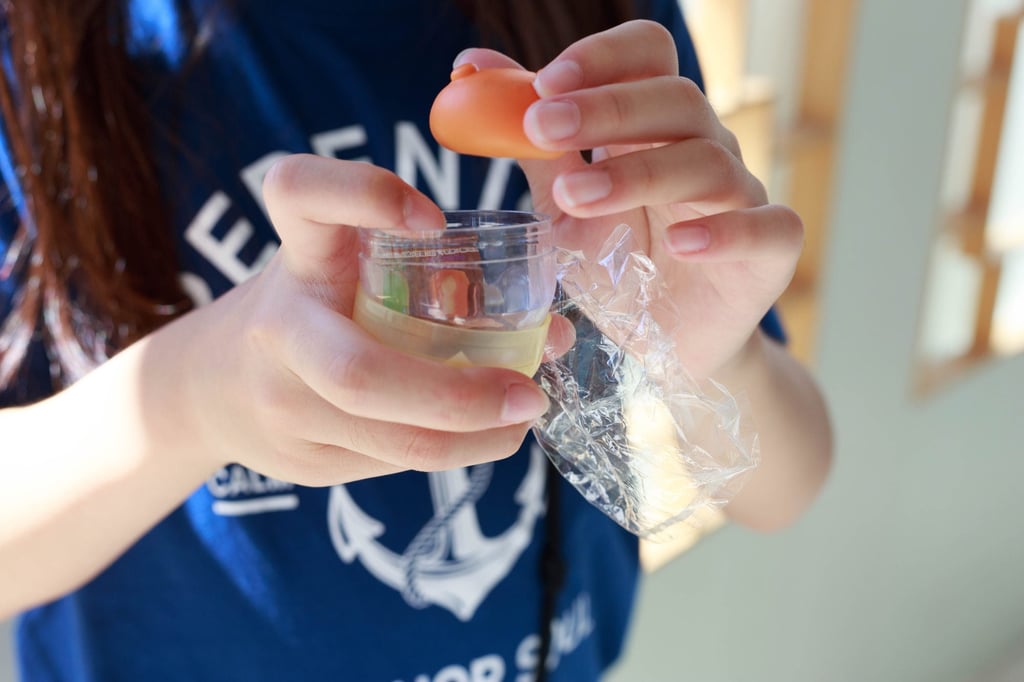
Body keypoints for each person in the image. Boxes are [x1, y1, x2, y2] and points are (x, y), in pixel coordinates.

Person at [0, 1, 833, 680]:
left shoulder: (599, 34)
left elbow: (786, 489)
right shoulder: (35, 54)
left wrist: (712, 355)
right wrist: (191, 398)